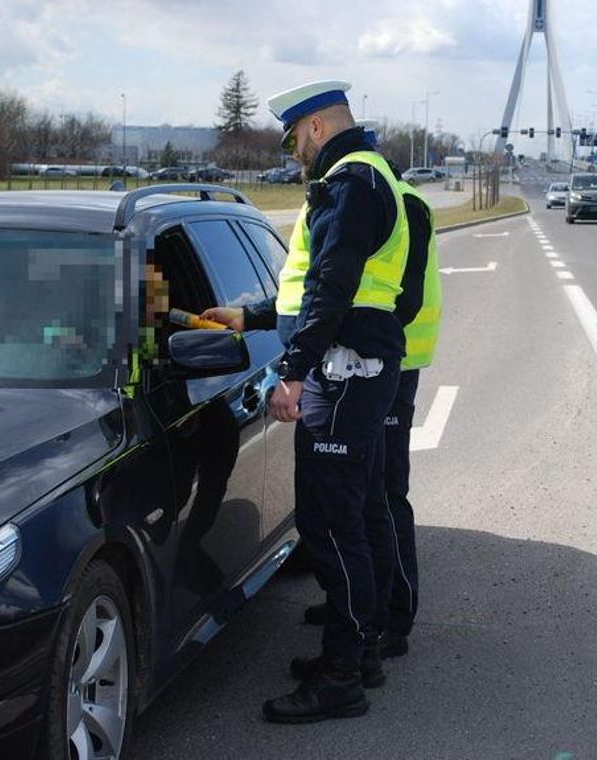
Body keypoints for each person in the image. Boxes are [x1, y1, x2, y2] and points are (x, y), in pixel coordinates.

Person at [201, 80, 409, 724]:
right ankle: (357, 653)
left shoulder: (350, 183)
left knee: (331, 522)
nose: (295, 152)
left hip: (344, 372)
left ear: (316, 127)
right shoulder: (367, 176)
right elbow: (307, 292)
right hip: (352, 367)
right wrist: (252, 316)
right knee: (345, 516)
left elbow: (331, 288)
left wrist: (292, 371)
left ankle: (343, 675)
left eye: (296, 139)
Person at [301, 119, 442, 661]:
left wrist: (366, 345)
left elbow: (398, 296)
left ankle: (391, 615)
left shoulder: (390, 198)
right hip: (369, 355)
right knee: (363, 499)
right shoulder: (375, 189)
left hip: (380, 361)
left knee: (381, 494)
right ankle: (364, 607)